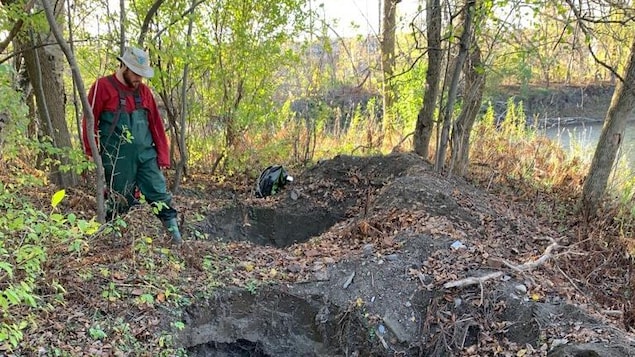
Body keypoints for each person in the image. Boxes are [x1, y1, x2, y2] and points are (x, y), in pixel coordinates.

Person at [82, 46, 182, 244]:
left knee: (159, 193)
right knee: (120, 200)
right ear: (124, 67)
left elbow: (156, 124)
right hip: (117, 158)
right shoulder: (102, 87)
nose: (139, 79)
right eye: (136, 73)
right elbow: (89, 122)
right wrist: (92, 154)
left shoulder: (144, 92)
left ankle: (176, 240)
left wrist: (162, 155)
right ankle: (114, 241)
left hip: (146, 155)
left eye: (142, 75)